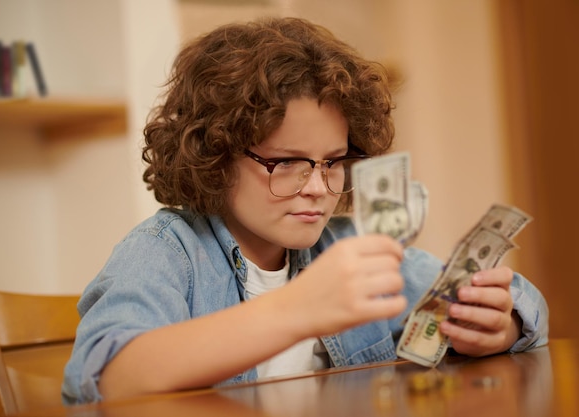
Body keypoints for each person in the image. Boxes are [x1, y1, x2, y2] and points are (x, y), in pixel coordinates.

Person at [62, 16, 549, 405]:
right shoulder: (165, 254)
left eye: (334, 162)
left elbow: (526, 313)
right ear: (213, 153)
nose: (318, 187)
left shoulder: (348, 246)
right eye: (286, 162)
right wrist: (297, 309)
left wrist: (497, 328)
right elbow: (107, 378)